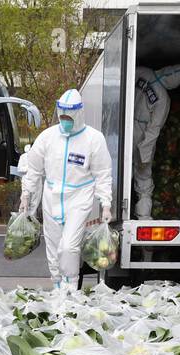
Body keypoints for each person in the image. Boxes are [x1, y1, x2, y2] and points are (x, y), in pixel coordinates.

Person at [20, 88, 112, 290]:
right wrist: (26, 195)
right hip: (51, 197)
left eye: (68, 116)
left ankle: (71, 290)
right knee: (53, 248)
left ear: (78, 113)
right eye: (62, 116)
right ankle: (58, 289)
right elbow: (34, 169)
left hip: (79, 198)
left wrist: (106, 203)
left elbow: (103, 173)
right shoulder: (48, 137)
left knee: (69, 247)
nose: (65, 120)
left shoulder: (93, 139)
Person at [132, 65, 180, 219]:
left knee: (117, 168)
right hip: (141, 133)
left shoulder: (143, 72)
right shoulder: (163, 98)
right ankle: (143, 215)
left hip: (122, 125)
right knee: (143, 177)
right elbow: (153, 130)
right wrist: (144, 153)